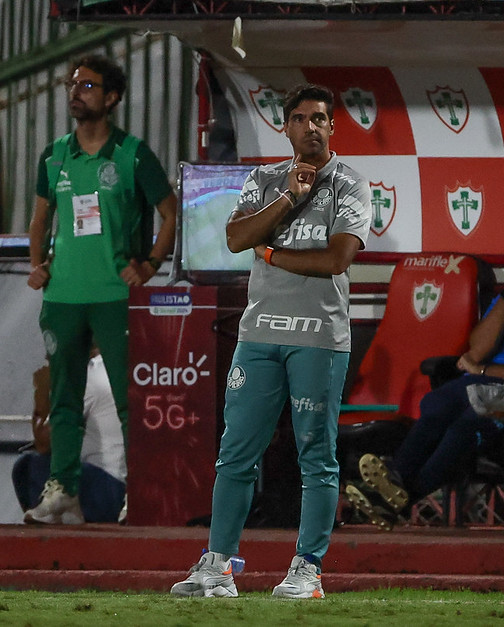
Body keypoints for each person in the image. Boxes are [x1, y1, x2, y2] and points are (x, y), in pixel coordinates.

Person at [171, 84, 371, 599]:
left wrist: (274, 255)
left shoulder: (351, 183)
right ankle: (216, 566)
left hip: (319, 338)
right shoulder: (264, 179)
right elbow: (237, 238)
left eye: (320, 119)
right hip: (259, 335)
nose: (311, 127)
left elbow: (336, 260)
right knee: (236, 452)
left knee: (316, 455)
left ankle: (307, 571)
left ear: (333, 127)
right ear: (286, 127)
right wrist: (290, 198)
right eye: (300, 119)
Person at [25, 54, 176, 524]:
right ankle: (63, 489)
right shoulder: (54, 155)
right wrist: (37, 265)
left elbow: (171, 212)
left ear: (112, 98)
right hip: (63, 297)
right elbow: (39, 217)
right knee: (64, 399)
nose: (76, 91)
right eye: (72, 84)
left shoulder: (132, 154)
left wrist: (150, 264)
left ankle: (141, 492)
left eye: (88, 86)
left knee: (130, 399)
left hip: (114, 296)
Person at [347, 295, 504, 531]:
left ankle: (396, 500)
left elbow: (476, 364)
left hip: (494, 386)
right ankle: (395, 486)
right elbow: (476, 351)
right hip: (481, 380)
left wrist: (482, 370)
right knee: (439, 403)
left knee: (466, 427)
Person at [11, 349, 127, 523]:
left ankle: (51, 528)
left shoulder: (89, 375)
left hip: (108, 493)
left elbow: (45, 441)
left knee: (27, 465)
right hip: (130, 495)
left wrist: (42, 390)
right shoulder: (122, 366)